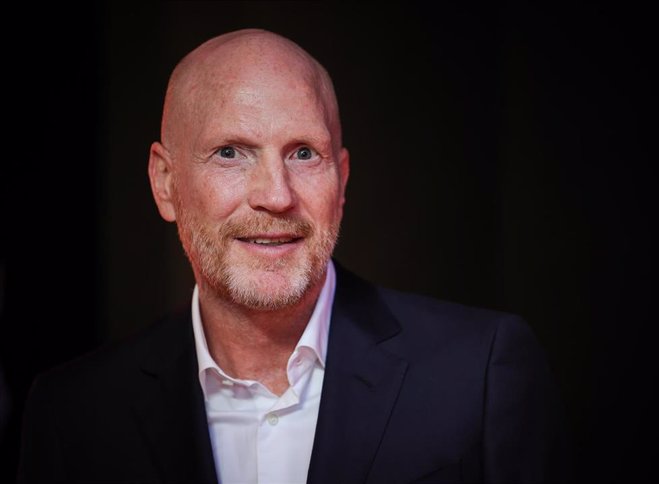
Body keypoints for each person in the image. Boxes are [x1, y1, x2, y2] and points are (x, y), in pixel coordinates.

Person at [18, 29, 571, 483]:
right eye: (231, 153)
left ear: (343, 179)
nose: (276, 195)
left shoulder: (480, 376)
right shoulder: (75, 415)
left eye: (304, 153)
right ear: (166, 184)